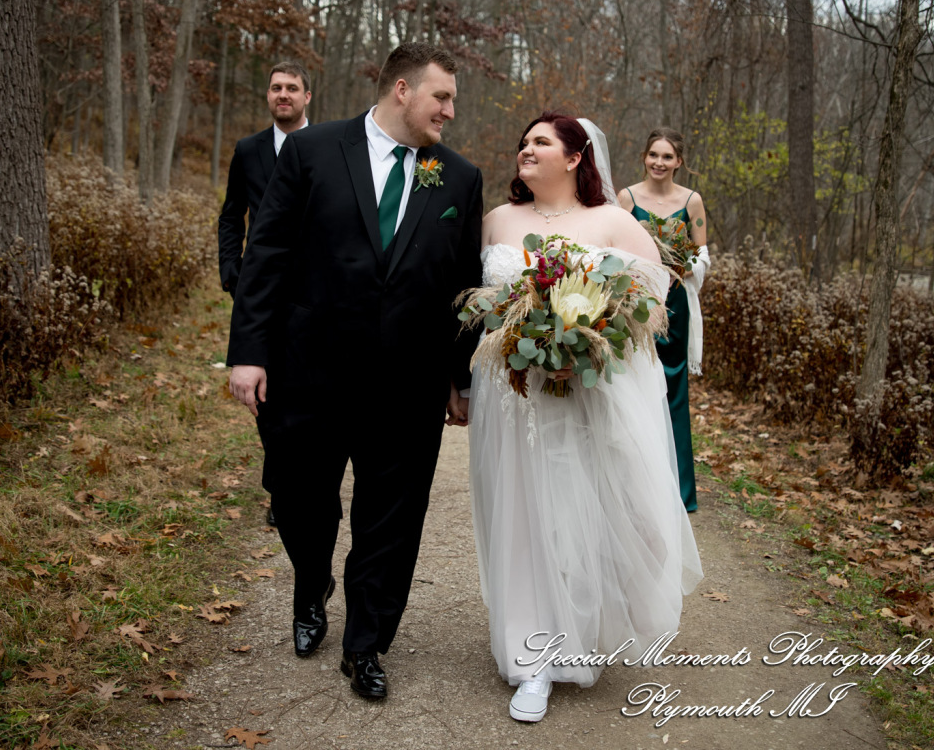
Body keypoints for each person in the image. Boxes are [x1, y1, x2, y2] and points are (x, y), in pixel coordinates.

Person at [226, 43, 483, 701]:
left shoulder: (454, 178)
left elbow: (463, 286)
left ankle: (365, 643)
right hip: (307, 372)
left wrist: (460, 377)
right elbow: (268, 255)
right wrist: (248, 352)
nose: (450, 112)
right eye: (442, 98)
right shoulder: (314, 154)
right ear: (402, 89)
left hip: (407, 386)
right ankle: (310, 588)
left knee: (391, 521)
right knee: (300, 503)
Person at [470, 113, 702, 722]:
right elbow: (479, 304)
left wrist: (587, 341)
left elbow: (654, 301)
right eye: (523, 142)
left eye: (540, 142)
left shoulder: (612, 222)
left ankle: (568, 634)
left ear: (575, 157)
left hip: (583, 398)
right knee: (517, 509)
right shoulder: (497, 219)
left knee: (572, 509)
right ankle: (532, 657)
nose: (526, 149)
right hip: (512, 396)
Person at [218, 61, 312, 528]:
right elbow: (231, 215)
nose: (283, 95)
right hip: (260, 293)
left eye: (291, 88)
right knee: (264, 396)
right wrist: (232, 273)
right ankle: (281, 486)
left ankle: (304, 481)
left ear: (306, 97)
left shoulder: (326, 148)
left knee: (304, 394)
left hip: (314, 295)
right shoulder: (249, 150)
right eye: (275, 88)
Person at [619, 128, 709, 512]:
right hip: (636, 302)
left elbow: (703, 254)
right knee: (632, 385)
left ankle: (678, 491)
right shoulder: (626, 197)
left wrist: (681, 265)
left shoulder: (691, 201)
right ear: (644, 156)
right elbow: (613, 248)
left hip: (674, 302)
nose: (659, 162)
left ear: (679, 162)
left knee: (672, 390)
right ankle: (633, 483)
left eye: (667, 157)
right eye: (653, 154)